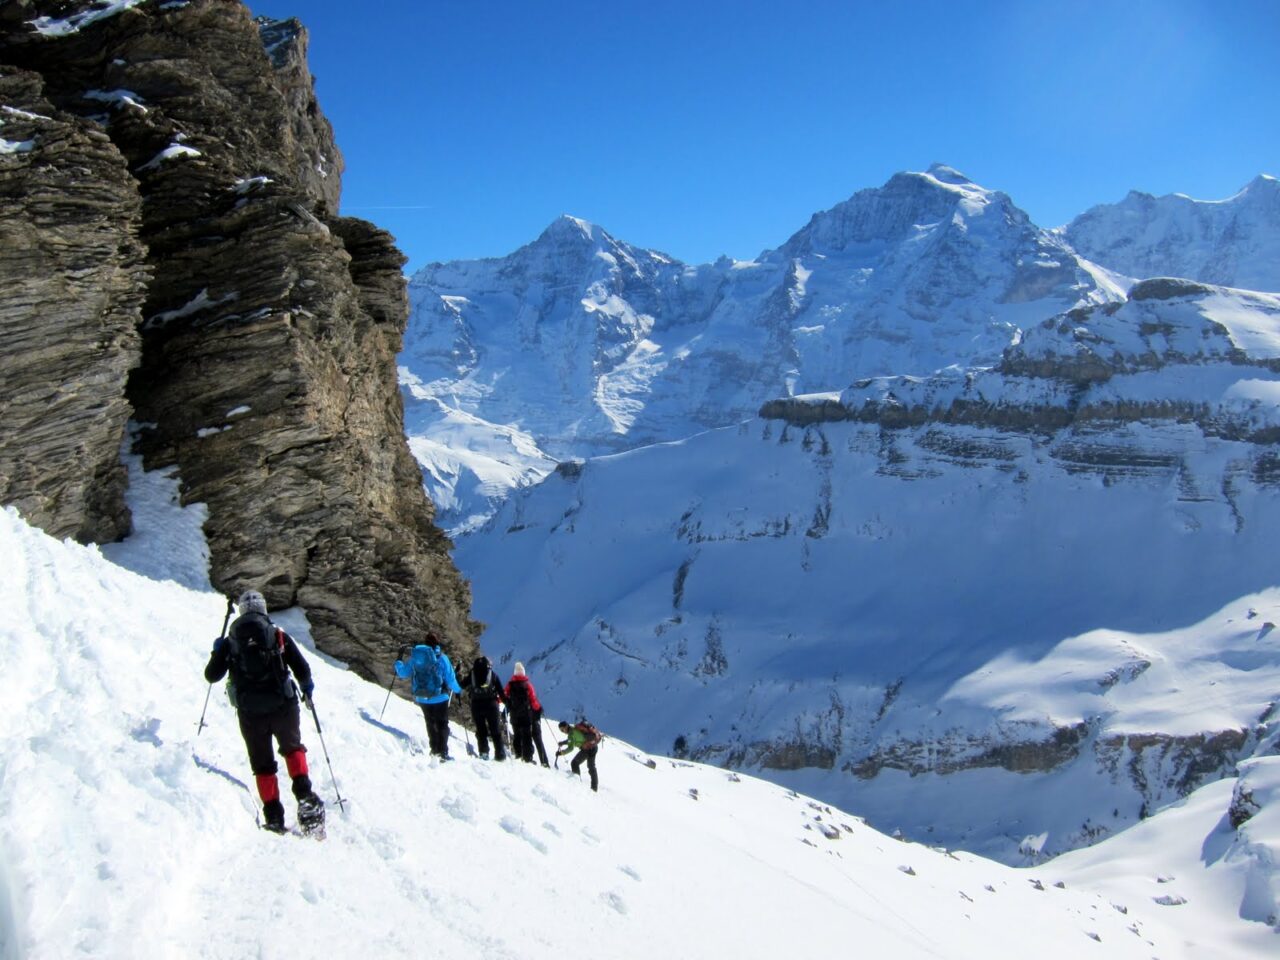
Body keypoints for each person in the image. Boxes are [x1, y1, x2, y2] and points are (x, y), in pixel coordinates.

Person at [204, 590, 325, 834]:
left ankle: (273, 817)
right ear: (263, 609)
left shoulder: (231, 642)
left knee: (262, 764)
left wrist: (217, 651)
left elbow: (211, 675)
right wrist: (307, 689)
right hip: (283, 705)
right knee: (292, 748)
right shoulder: (277, 634)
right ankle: (304, 795)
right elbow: (302, 668)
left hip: (250, 712)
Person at [394, 633, 462, 760]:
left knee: (430, 723)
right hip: (439, 696)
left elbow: (403, 673)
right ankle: (442, 752)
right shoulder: (442, 657)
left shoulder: (417, 657)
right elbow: (451, 679)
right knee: (442, 724)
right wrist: (458, 690)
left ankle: (434, 750)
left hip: (422, 697)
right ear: (437, 643)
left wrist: (398, 660)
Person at [459, 655, 506, 760]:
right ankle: (500, 754)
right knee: (495, 730)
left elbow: (461, 685)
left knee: (481, 730)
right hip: (491, 705)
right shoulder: (492, 675)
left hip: (476, 705)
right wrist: (507, 702)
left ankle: (483, 752)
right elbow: (501, 693)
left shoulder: (472, 674)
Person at [503, 662, 547, 765]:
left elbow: (503, 696)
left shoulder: (510, 685)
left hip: (514, 715)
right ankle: (528, 757)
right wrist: (539, 709)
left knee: (517, 735)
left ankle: (518, 754)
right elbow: (533, 700)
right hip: (526, 715)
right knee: (527, 736)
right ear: (523, 673)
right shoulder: (527, 685)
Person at [557, 720, 602, 792]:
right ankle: (594, 788)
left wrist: (561, 753)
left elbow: (570, 748)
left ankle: (577, 783)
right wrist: (563, 743)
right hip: (593, 746)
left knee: (574, 763)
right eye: (561, 731)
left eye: (562, 730)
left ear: (566, 727)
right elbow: (572, 740)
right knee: (591, 767)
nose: (562, 731)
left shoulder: (571, 734)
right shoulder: (574, 729)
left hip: (587, 749)